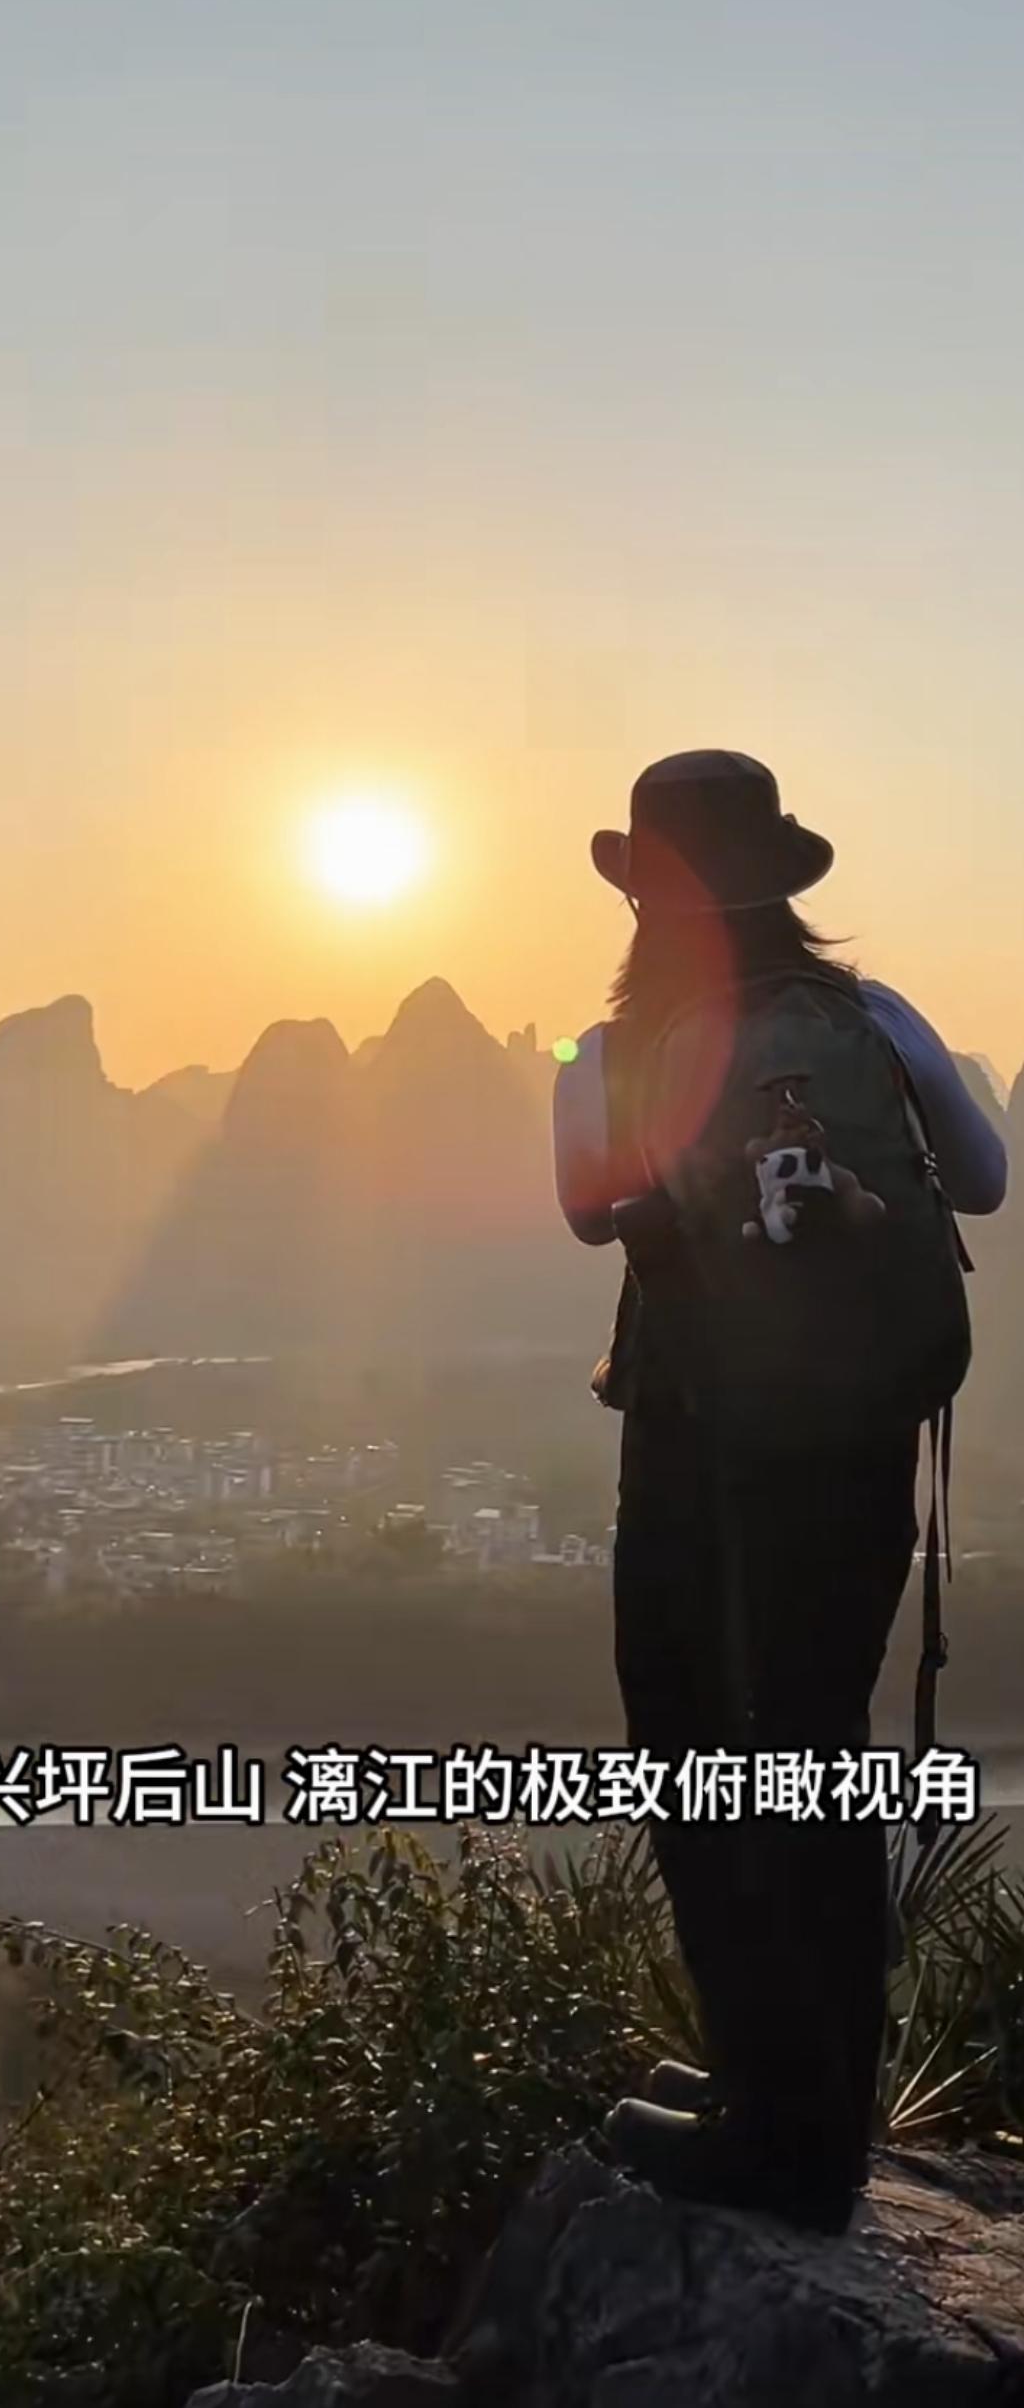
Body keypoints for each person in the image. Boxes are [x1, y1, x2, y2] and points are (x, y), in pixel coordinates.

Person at [553, 749, 1008, 2234]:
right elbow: (984, 1182)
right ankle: (802, 2098)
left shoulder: (614, 1050)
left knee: (695, 1745)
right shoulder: (875, 1018)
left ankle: (781, 2126)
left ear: (645, 895)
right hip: (857, 1441)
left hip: (698, 1444)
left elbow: (585, 1210)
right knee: (814, 1747)